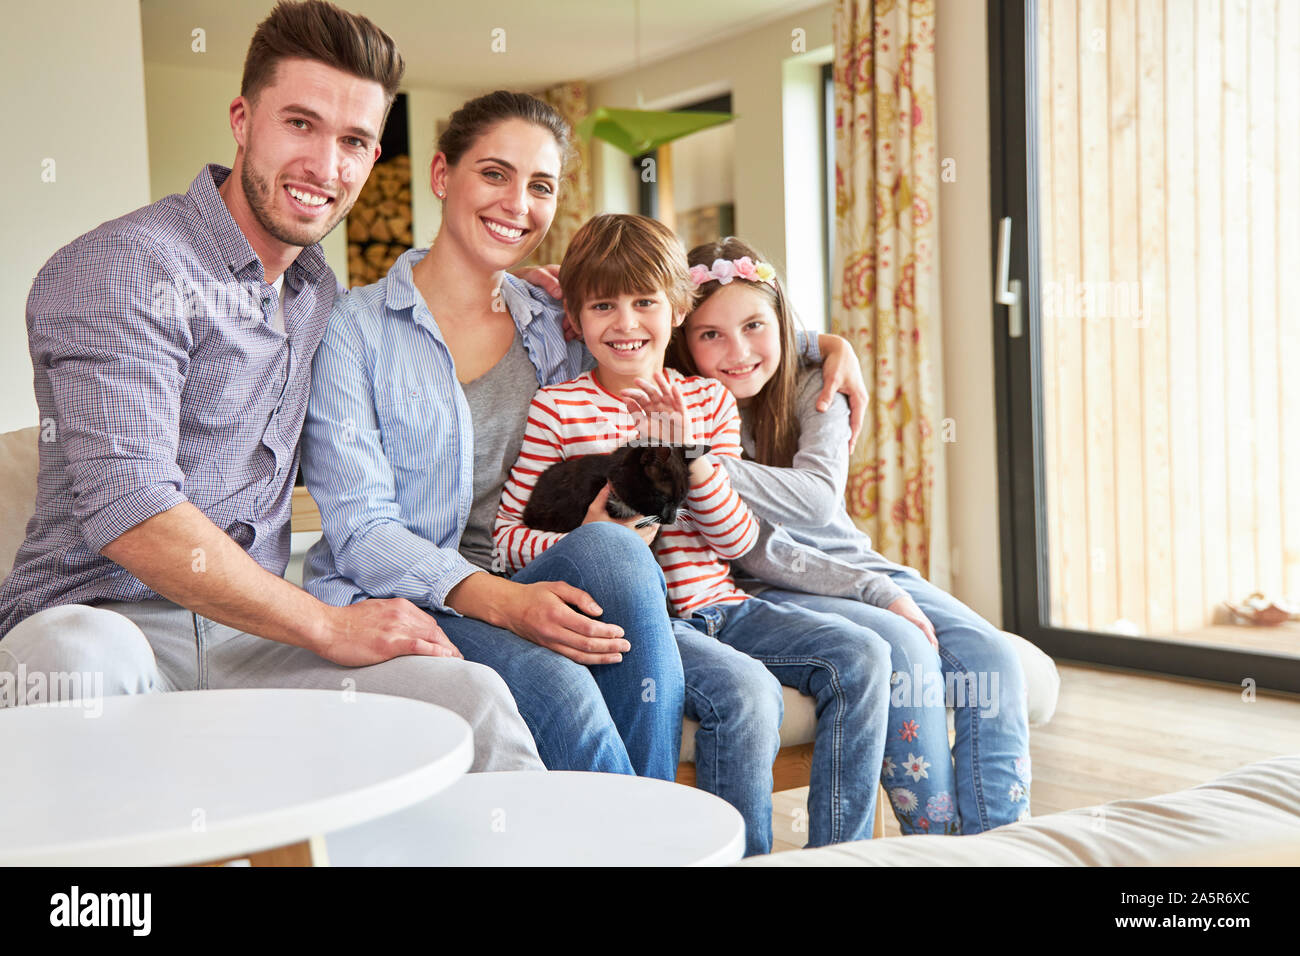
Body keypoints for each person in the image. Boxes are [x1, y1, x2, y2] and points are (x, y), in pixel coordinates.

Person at [0, 0, 542, 773]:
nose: (326, 167)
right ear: (243, 119)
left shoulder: (316, 291)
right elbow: (132, 509)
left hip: (253, 642)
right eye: (300, 124)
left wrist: (545, 298)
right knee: (81, 663)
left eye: (353, 141)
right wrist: (327, 625)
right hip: (107, 618)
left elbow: (418, 338)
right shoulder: (129, 265)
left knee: (469, 701)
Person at [299, 89, 876, 785]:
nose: (518, 203)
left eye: (540, 184)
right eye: (494, 173)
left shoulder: (552, 315)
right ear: (442, 174)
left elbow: (681, 324)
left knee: (611, 545)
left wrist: (819, 345)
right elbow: (361, 531)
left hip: (553, 571)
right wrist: (504, 599)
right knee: (574, 672)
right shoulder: (355, 329)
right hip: (421, 594)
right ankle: (652, 831)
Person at [492, 214, 894, 856]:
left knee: (866, 655)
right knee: (748, 693)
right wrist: (589, 541)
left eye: (645, 302)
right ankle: (741, 856)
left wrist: (694, 455)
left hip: (725, 606)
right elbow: (506, 540)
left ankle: (838, 855)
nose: (626, 324)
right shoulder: (558, 408)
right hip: (655, 624)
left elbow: (735, 543)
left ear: (676, 308)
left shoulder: (708, 401)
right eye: (603, 306)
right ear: (577, 319)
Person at [668, 236, 1033, 833]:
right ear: (685, 340)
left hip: (851, 561)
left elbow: (815, 502)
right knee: (908, 652)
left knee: (993, 657)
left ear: (782, 322)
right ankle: (931, 844)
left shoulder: (818, 383)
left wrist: (689, 458)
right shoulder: (683, 402)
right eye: (711, 334)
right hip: (767, 579)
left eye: (755, 325)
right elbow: (762, 548)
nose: (737, 351)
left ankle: (998, 848)